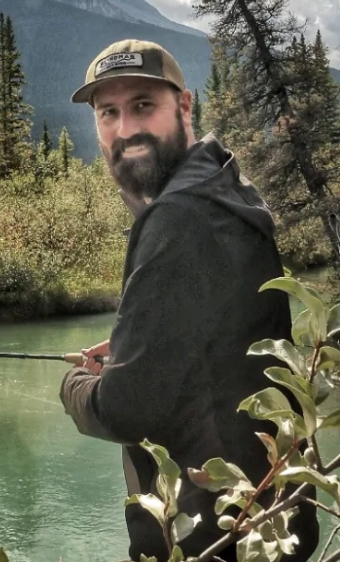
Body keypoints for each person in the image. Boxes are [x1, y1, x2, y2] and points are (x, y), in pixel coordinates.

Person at [59, 39, 318, 562]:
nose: (125, 128)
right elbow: (222, 326)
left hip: (214, 538)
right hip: (274, 517)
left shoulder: (176, 217)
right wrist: (140, 342)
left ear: (184, 105)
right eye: (108, 112)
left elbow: (125, 411)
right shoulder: (227, 185)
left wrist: (76, 386)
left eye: (142, 106)